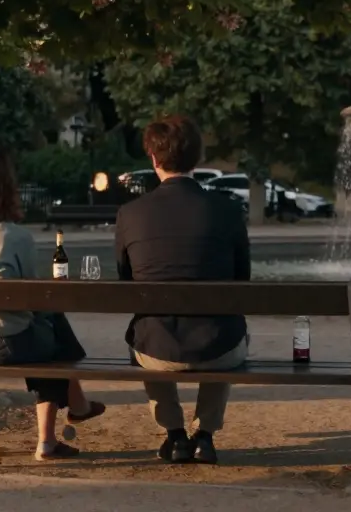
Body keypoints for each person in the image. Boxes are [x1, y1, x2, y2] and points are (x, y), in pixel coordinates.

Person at [0, 146, 106, 461]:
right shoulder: (15, 237)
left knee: (44, 328)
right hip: (4, 345)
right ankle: (51, 437)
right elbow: (35, 299)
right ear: (5, 187)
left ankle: (78, 405)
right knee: (49, 332)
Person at [114, 115, 250, 465]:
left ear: (154, 159)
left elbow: (125, 282)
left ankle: (174, 435)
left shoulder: (130, 214)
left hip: (157, 350)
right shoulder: (229, 210)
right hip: (221, 348)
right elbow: (242, 282)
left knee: (147, 330)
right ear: (197, 159)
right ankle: (204, 436)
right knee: (226, 323)